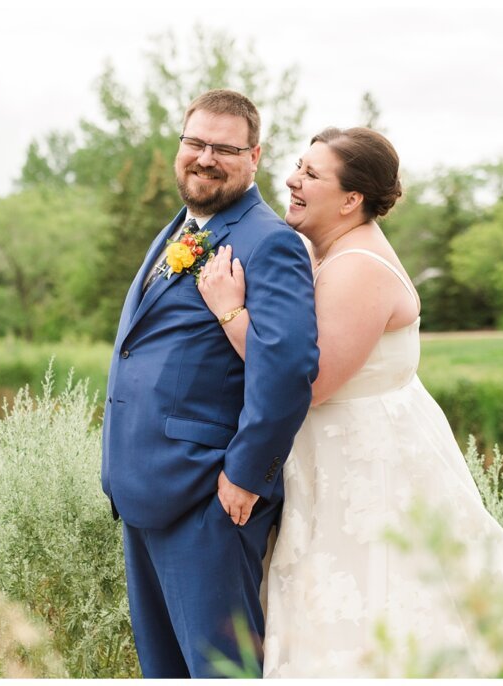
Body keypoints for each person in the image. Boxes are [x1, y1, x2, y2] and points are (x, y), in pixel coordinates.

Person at [196, 126, 503, 677]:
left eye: (312, 175)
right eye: (298, 165)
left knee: (375, 608)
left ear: (351, 199)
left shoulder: (357, 267)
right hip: (338, 462)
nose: (292, 180)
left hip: (368, 470)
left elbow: (310, 385)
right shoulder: (333, 253)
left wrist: (230, 312)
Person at [100, 89, 319, 678]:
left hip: (210, 501)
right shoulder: (183, 227)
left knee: (220, 672)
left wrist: (247, 475)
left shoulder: (269, 242)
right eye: (196, 143)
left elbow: (288, 370)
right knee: (164, 670)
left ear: (254, 156)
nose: (205, 157)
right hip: (144, 488)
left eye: (224, 148)